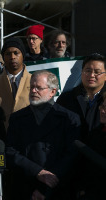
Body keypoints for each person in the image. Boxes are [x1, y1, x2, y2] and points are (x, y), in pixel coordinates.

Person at [6, 70, 80, 200]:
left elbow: (71, 155)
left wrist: (48, 184)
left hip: (57, 189)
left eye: (39, 88)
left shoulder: (69, 119)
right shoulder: (17, 118)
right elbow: (10, 151)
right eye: (32, 87)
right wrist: (37, 172)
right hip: (25, 187)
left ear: (53, 91)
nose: (33, 91)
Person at [56, 53, 106, 198]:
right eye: (87, 70)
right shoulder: (66, 99)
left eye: (97, 72)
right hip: (70, 171)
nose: (91, 75)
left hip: (100, 173)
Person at [0, 37, 31, 141]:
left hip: (29, 140)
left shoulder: (36, 82)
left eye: (16, 53)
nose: (12, 57)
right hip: (1, 141)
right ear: (3, 57)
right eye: (8, 54)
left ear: (23, 55)